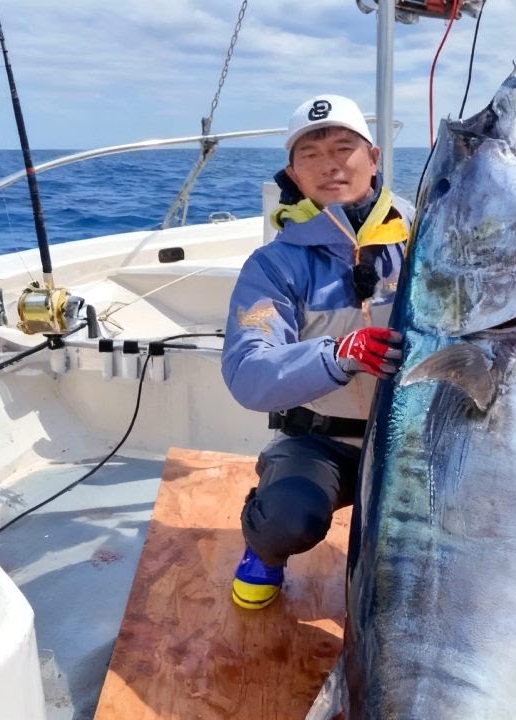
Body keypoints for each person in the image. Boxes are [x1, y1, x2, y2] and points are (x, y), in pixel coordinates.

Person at [221, 94, 411, 610]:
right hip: (324, 445)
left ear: (373, 158)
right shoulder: (273, 266)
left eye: (344, 147)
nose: (330, 163)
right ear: (293, 174)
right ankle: (264, 548)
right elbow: (247, 373)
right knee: (289, 517)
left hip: (418, 440)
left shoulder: (426, 239)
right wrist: (336, 355)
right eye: (310, 154)